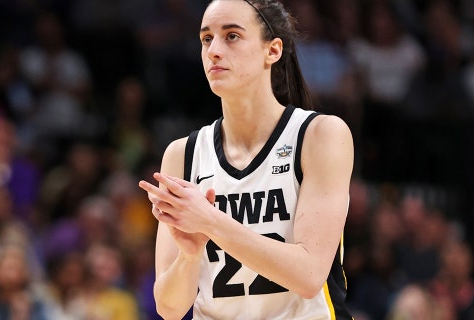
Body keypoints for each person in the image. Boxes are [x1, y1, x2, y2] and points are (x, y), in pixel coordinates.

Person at [138, 0, 355, 319]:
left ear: (273, 50)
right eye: (206, 38)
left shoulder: (320, 135)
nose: (213, 50)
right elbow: (169, 307)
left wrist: (212, 222)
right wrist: (190, 253)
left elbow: (309, 276)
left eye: (232, 36)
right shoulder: (182, 154)